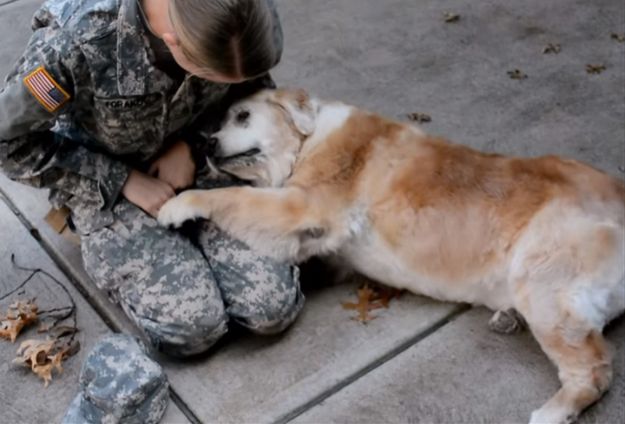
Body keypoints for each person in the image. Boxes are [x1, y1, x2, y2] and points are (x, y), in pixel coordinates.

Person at [0, 0, 304, 358]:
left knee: (271, 308)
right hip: (109, 184)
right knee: (195, 329)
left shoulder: (245, 17)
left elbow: (253, 91)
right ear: (173, 42)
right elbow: (8, 142)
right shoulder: (76, 42)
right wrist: (121, 178)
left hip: (204, 156)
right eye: (210, 76)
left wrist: (191, 148)